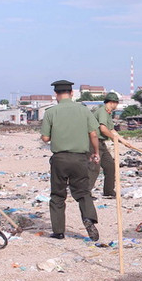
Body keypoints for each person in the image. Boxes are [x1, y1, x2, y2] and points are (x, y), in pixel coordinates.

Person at [40, 80, 100, 241]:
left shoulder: (51, 112)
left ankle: (59, 231)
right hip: (80, 158)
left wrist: (54, 134)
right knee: (82, 192)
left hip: (59, 159)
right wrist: (96, 152)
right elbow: (93, 134)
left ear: (56, 95)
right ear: (72, 93)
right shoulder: (83, 110)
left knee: (58, 195)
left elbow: (45, 138)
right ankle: (88, 218)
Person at [90, 92, 130, 198]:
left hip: (101, 144)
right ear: (112, 103)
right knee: (94, 168)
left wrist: (123, 141)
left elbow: (111, 130)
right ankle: (86, 193)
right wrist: (114, 138)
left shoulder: (108, 113)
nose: (116, 106)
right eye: (116, 103)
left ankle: (108, 191)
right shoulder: (102, 111)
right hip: (94, 142)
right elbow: (103, 129)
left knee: (110, 166)